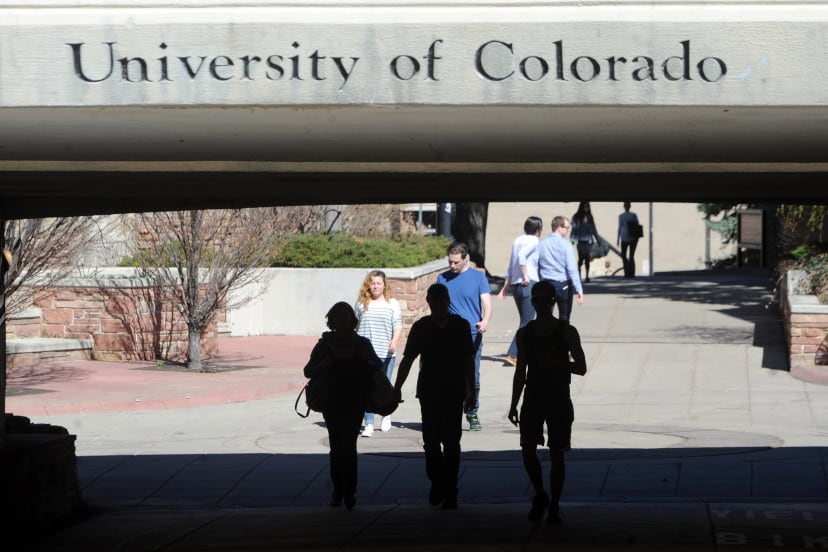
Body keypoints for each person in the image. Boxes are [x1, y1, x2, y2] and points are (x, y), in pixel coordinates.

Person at [507, 281, 587, 525]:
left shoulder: (567, 331)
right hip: (533, 397)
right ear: (532, 303)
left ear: (553, 302)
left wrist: (557, 363)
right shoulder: (525, 333)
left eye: (546, 301)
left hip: (559, 397)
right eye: (538, 301)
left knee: (557, 453)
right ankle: (541, 494)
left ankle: (554, 504)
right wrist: (513, 403)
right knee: (527, 448)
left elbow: (582, 367)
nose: (541, 305)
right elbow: (520, 370)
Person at [393, 283, 475, 510]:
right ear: (429, 302)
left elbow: (469, 360)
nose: (438, 305)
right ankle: (438, 483)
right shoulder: (421, 328)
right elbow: (408, 359)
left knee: (451, 443)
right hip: (429, 392)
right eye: (435, 301)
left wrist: (472, 391)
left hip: (454, 391)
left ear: (448, 302)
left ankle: (450, 490)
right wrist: (397, 387)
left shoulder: (460, 326)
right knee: (431, 443)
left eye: (442, 301)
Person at [303, 302, 383, 510]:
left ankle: (342, 490)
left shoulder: (327, 344)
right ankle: (346, 490)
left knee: (339, 447)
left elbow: (309, 371)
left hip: (341, 400)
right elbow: (377, 367)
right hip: (347, 400)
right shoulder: (358, 344)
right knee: (345, 446)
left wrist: (326, 364)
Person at [436, 242, 492, 431]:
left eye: (456, 262)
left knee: (472, 377)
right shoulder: (442, 278)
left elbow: (487, 303)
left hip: (472, 334)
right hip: (448, 335)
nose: (452, 266)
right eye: (450, 262)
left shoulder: (478, 278)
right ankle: (450, 413)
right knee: (450, 376)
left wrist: (485, 321)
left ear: (465, 259)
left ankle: (472, 412)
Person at [355, 270, 403, 437]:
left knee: (384, 388)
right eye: (372, 283)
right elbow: (355, 326)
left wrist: (394, 341)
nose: (375, 286)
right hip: (365, 355)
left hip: (385, 352)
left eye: (378, 283)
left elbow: (397, 324)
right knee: (366, 388)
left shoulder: (392, 304)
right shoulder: (362, 304)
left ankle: (385, 414)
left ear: (384, 285)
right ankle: (368, 423)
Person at [497, 216, 543, 366]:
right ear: (538, 229)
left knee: (525, 321)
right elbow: (522, 258)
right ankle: (513, 354)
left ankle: (527, 352)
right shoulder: (534, 241)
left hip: (516, 287)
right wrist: (526, 276)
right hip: (528, 284)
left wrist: (505, 288)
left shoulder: (517, 240)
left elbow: (511, 266)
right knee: (527, 322)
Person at [537, 216, 583, 323]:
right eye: (567, 227)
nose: (568, 230)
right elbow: (572, 269)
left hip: (546, 284)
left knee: (546, 317)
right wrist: (579, 289)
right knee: (564, 317)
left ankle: (548, 338)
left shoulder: (541, 244)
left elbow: (537, 265)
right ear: (559, 228)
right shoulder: (566, 245)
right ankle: (563, 338)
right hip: (563, 285)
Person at [570, 202, 600, 283]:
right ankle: (579, 276)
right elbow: (574, 229)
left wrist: (597, 239)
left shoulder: (590, 217)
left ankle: (587, 276)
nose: (587, 208)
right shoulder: (576, 217)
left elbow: (594, 229)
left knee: (587, 258)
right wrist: (572, 240)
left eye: (588, 207)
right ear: (581, 207)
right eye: (585, 207)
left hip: (589, 241)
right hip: (580, 240)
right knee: (581, 258)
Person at [617, 201, 641, 278]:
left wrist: (618, 238)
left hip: (624, 238)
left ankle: (627, 272)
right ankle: (632, 272)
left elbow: (619, 228)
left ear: (624, 207)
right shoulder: (633, 215)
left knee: (624, 256)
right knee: (631, 256)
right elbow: (637, 226)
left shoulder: (621, 216)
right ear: (630, 206)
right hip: (632, 238)